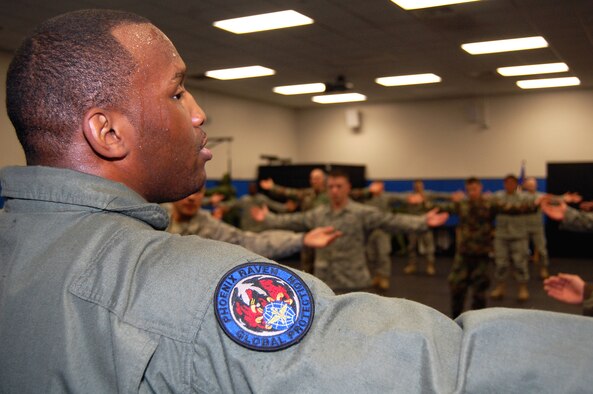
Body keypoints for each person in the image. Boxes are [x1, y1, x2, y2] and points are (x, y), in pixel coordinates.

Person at [2, 9, 593, 393]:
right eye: (178, 91)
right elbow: (445, 371)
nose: (199, 112)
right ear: (108, 132)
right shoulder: (182, 284)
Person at [252, 169, 450, 292]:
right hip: (325, 281)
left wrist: (423, 221)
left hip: (354, 281)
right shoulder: (318, 214)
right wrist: (268, 218)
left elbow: (393, 221)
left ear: (348, 187)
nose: (335, 191)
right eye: (331, 187)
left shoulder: (361, 213)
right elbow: (293, 220)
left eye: (339, 186)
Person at [429, 177, 536, 318]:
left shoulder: (489, 204)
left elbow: (512, 209)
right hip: (463, 254)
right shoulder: (462, 204)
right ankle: (455, 319)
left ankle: (476, 321)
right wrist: (424, 203)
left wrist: (536, 205)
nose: (472, 192)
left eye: (474, 189)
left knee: (479, 292)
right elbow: (442, 208)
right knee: (456, 287)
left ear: (480, 188)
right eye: (469, 189)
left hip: (481, 254)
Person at [164, 187, 339, 260]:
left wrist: (301, 239)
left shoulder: (210, 226)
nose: (192, 197)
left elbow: (250, 242)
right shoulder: (155, 217)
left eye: (198, 191)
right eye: (186, 192)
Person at [260, 168, 329, 273]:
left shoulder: (331, 195)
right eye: (312, 178)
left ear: (324, 179)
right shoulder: (307, 194)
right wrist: (273, 187)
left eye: (317, 178)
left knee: (324, 267)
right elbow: (289, 192)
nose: (314, 181)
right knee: (307, 267)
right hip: (308, 234)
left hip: (325, 236)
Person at [489, 174, 532, 301]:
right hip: (501, 235)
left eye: (512, 183)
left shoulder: (524, 197)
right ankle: (500, 287)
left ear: (516, 184)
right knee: (500, 263)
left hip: (519, 235)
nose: (509, 185)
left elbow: (536, 203)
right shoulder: (497, 196)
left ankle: (522, 288)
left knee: (520, 263)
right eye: (507, 183)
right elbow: (489, 210)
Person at [214, 182, 295, 232]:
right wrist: (219, 204)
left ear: (256, 188)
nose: (252, 189)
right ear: (248, 189)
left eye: (253, 187)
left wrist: (285, 207)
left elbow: (273, 205)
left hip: (259, 228)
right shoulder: (245, 199)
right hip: (246, 229)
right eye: (250, 188)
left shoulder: (261, 198)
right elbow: (232, 204)